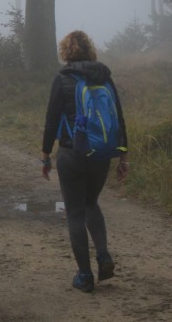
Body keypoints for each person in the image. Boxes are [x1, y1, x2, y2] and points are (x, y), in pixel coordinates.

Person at [40, 30, 129, 293]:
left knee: (75, 212)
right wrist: (124, 155)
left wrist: (45, 155)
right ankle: (103, 255)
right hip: (101, 153)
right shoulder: (104, 76)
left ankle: (84, 275)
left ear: (66, 52)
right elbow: (119, 117)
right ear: (90, 49)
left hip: (72, 153)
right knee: (91, 202)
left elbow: (52, 119)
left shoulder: (63, 78)